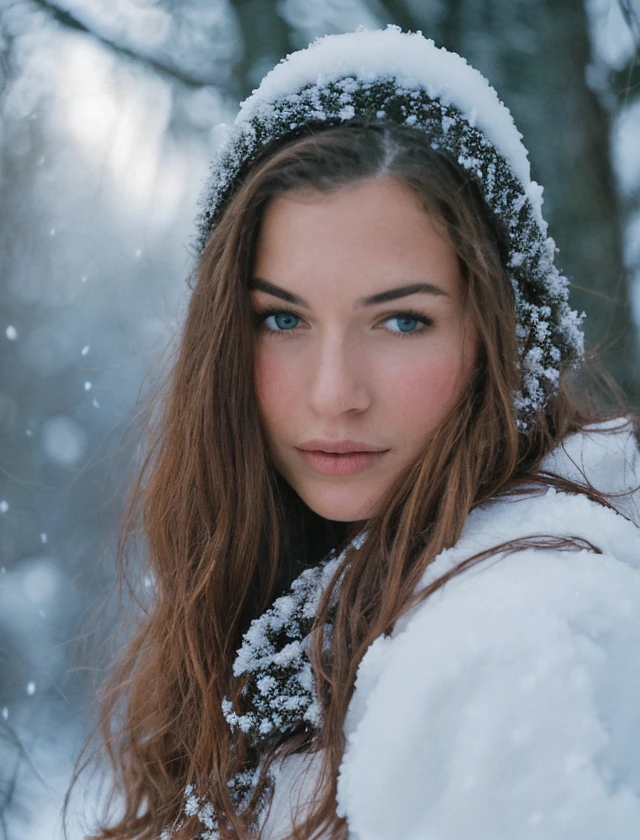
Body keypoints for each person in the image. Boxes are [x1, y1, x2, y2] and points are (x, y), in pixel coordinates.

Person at [82, 26, 640, 840]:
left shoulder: (518, 634)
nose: (335, 392)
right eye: (282, 318)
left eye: (402, 321)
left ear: (500, 333)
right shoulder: (292, 614)